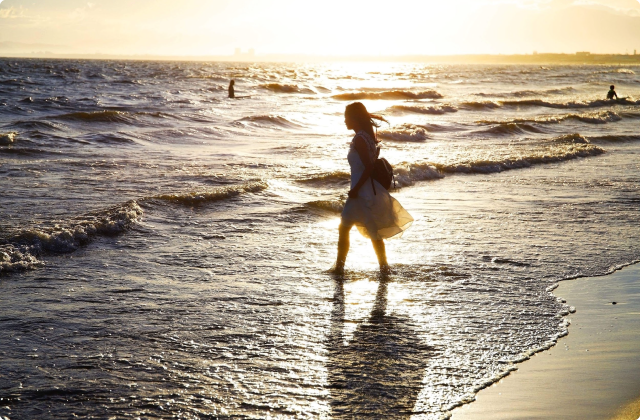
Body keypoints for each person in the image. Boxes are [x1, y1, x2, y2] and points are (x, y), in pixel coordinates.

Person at [332, 102, 413, 274]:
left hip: (361, 193)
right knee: (370, 231)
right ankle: (383, 268)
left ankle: (341, 268)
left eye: (347, 117)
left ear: (355, 118)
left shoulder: (360, 139)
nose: (344, 120)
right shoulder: (367, 136)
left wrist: (355, 190)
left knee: (347, 228)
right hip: (365, 191)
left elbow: (368, 167)